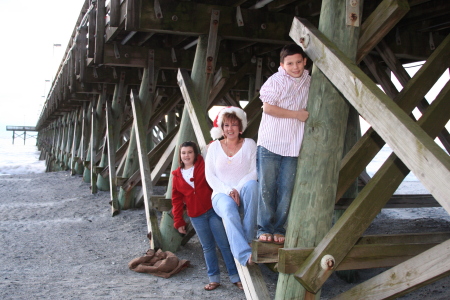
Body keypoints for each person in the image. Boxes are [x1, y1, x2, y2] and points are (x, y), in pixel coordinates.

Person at [256, 44, 311, 245]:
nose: (295, 67)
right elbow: (268, 108)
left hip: (293, 145)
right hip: (270, 142)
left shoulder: (310, 81)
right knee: (267, 187)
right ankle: (264, 228)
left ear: (305, 61)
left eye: (298, 62)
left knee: (287, 188)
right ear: (282, 65)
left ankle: (280, 228)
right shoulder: (276, 81)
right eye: (290, 63)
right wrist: (297, 115)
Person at [171, 141, 243, 291]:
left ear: (195, 154)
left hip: (212, 211)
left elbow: (214, 148)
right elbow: (176, 200)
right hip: (196, 216)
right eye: (183, 153)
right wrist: (179, 221)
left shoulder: (203, 165)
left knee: (224, 244)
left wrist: (213, 143)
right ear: (180, 155)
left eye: (190, 152)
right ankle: (214, 279)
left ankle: (235, 277)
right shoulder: (177, 175)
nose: (186, 155)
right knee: (207, 247)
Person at [205, 107, 258, 267]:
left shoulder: (249, 144)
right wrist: (229, 191)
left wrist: (237, 189)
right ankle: (244, 254)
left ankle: (250, 239)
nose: (230, 129)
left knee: (253, 186)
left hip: (244, 190)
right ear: (221, 128)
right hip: (221, 193)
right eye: (226, 125)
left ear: (240, 127)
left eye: (234, 125)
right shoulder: (214, 147)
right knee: (228, 209)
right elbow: (210, 176)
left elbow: (255, 171)